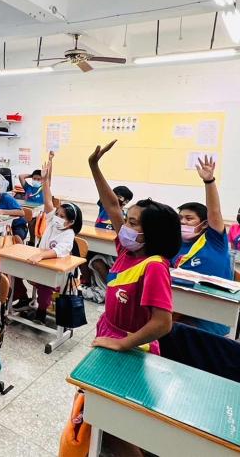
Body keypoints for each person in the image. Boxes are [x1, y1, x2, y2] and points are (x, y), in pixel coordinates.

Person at [87, 140, 180, 457]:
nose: (124, 224)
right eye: (127, 220)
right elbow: (112, 206)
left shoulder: (153, 267)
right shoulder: (127, 250)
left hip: (134, 349)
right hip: (110, 333)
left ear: (151, 233)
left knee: (118, 426)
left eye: (132, 222)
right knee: (104, 418)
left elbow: (162, 323)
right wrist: (94, 166)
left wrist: (123, 343)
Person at [174, 156, 234, 335]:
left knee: (174, 330)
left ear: (205, 224)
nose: (183, 222)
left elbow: (214, 211)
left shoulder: (215, 241)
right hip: (180, 305)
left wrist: (209, 181)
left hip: (211, 314)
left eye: (189, 218)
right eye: (180, 219)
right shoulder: (174, 244)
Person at [20, 154, 83, 324]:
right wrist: (46, 180)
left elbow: (58, 251)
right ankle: (24, 302)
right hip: (42, 266)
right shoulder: (52, 221)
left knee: (45, 286)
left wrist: (40, 255)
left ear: (70, 222)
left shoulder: (68, 234)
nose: (57, 217)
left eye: (62, 216)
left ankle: (41, 313)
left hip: (58, 272)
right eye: (58, 214)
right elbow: (48, 200)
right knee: (17, 270)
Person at [84, 185, 134, 303]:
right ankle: (87, 282)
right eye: (119, 196)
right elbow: (104, 193)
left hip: (111, 249)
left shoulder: (122, 216)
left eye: (126, 200)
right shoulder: (104, 206)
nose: (122, 201)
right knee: (82, 255)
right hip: (96, 242)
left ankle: (113, 288)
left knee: (97, 262)